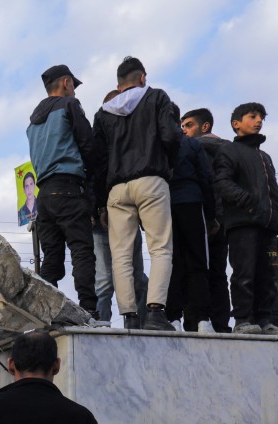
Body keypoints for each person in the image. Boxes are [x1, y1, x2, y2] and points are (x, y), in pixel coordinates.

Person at [92, 56, 180, 331]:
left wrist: (100, 204)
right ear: (142, 77)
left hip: (116, 189)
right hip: (151, 179)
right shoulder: (156, 98)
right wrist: (169, 166)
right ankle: (155, 312)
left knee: (121, 255)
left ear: (119, 86)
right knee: (160, 248)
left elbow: (98, 160)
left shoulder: (103, 112)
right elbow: (170, 137)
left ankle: (129, 316)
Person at [213, 102, 278, 335]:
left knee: (268, 275)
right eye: (252, 116)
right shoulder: (229, 150)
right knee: (244, 274)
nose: (258, 121)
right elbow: (221, 182)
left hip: (268, 226)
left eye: (261, 118)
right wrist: (247, 201)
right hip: (243, 224)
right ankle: (242, 321)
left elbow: (274, 189)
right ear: (236, 123)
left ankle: (265, 321)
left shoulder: (265, 156)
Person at [26, 64, 100, 316]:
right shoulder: (70, 106)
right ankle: (89, 310)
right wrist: (93, 183)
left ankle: (46, 315)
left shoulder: (33, 122)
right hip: (68, 187)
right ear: (66, 83)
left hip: (43, 196)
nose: (75, 92)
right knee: (81, 249)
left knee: (51, 259)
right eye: (74, 86)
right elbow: (88, 145)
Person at [164, 106, 218, 332]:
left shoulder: (158, 144)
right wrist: (211, 214)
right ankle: (203, 319)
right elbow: (206, 179)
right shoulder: (192, 144)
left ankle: (173, 318)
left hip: (164, 205)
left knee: (170, 261)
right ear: (178, 121)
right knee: (198, 262)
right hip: (192, 204)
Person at [180, 107, 233, 332]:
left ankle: (194, 322)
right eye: (181, 126)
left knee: (193, 270)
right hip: (225, 220)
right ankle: (221, 324)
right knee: (219, 274)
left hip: (199, 217)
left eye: (188, 125)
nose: (183, 130)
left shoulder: (192, 150)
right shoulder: (231, 150)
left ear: (205, 126)